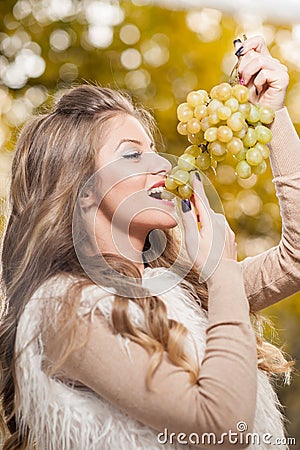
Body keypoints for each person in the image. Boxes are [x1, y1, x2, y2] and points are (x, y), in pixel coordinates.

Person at [0, 35, 299, 450]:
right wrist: (223, 271)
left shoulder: (183, 290)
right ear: (82, 190)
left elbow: (296, 259)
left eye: (153, 150)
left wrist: (275, 116)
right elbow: (220, 428)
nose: (162, 164)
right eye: (131, 154)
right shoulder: (64, 309)